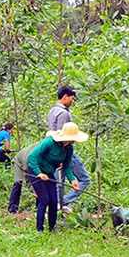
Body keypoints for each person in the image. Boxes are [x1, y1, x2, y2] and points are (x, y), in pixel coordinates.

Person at [27, 123, 87, 232]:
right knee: (44, 200)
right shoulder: (49, 142)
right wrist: (39, 173)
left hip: (49, 173)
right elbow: (32, 156)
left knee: (54, 202)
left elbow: (67, 166)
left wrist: (73, 179)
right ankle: (39, 229)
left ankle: (52, 227)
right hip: (36, 171)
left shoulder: (69, 148)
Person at [47, 85, 91, 213]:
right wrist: (62, 156)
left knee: (58, 181)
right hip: (64, 151)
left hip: (54, 151)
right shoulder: (64, 113)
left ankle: (57, 205)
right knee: (84, 179)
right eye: (72, 98)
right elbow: (63, 137)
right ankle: (63, 202)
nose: (72, 101)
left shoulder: (52, 111)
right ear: (65, 97)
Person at [8, 139, 42, 214]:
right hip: (20, 161)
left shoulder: (47, 147)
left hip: (34, 163)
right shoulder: (30, 156)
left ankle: (39, 208)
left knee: (40, 182)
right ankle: (12, 208)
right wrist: (32, 189)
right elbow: (28, 175)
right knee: (18, 183)